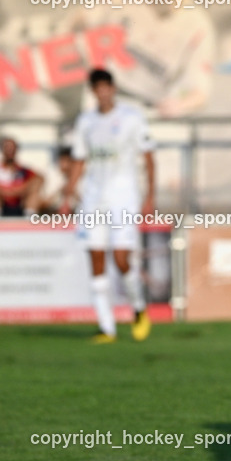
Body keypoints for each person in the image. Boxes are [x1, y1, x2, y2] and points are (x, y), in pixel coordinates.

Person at [61, 68, 155, 344]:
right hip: (93, 197)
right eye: (97, 88)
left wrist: (150, 197)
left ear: (113, 88)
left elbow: (149, 157)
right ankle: (107, 327)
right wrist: (68, 195)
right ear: (93, 91)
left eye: (106, 87)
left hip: (123, 195)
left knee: (121, 258)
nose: (103, 92)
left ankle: (138, 308)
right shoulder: (86, 121)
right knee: (96, 259)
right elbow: (80, 159)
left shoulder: (131, 118)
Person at [0, 136, 44, 216]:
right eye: (7, 147)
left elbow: (40, 178)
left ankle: (29, 217)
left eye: (12, 148)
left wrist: (21, 189)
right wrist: (7, 192)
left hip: (20, 204)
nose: (10, 150)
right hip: (3, 203)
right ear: (3, 149)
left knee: (34, 193)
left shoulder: (23, 170)